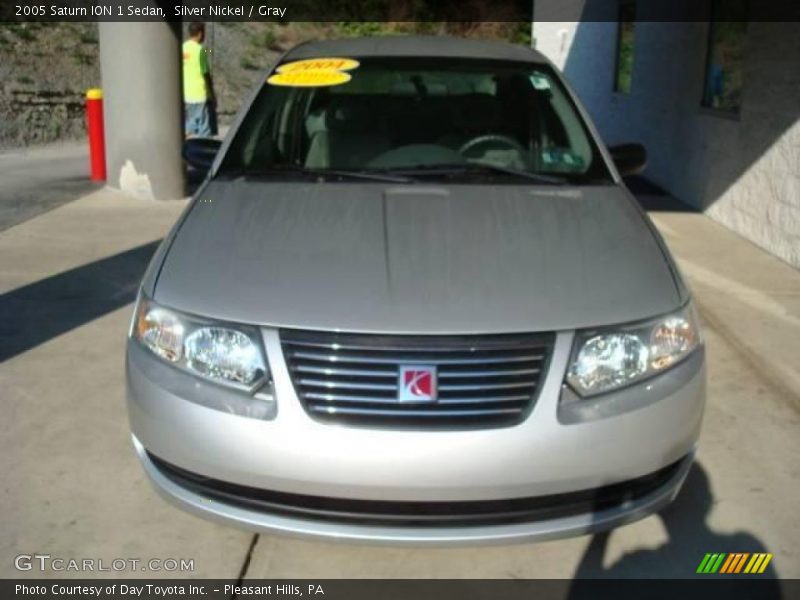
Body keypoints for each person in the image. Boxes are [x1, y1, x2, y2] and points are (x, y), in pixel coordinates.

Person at [182, 22, 216, 137]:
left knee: (190, 124)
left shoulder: (183, 48)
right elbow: (205, 73)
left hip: (186, 94)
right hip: (199, 94)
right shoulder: (201, 50)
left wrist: (208, 51)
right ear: (200, 34)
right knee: (204, 128)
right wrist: (212, 93)